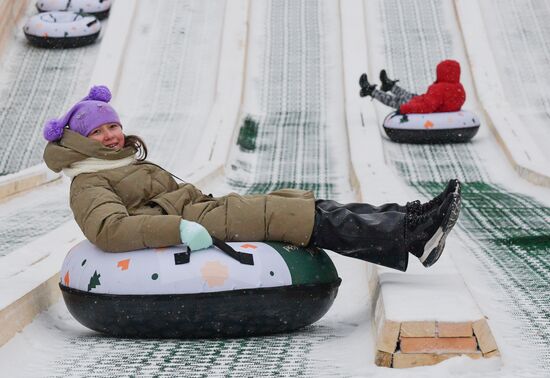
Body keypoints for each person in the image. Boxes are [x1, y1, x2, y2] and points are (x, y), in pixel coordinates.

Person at [42, 86, 462, 272]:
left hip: (205, 210)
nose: (111, 136)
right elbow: (109, 230)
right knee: (294, 218)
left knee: (303, 205)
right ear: (81, 142)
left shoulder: (120, 164)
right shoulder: (88, 182)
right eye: (98, 133)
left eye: (112, 127)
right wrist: (179, 228)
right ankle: (410, 237)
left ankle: (409, 223)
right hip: (196, 225)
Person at [358, 59, 466, 114]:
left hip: (425, 107)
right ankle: (389, 86)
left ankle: (370, 91)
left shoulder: (439, 88)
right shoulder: (460, 88)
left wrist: (405, 109)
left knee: (397, 101)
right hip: (428, 103)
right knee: (410, 96)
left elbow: (426, 107)